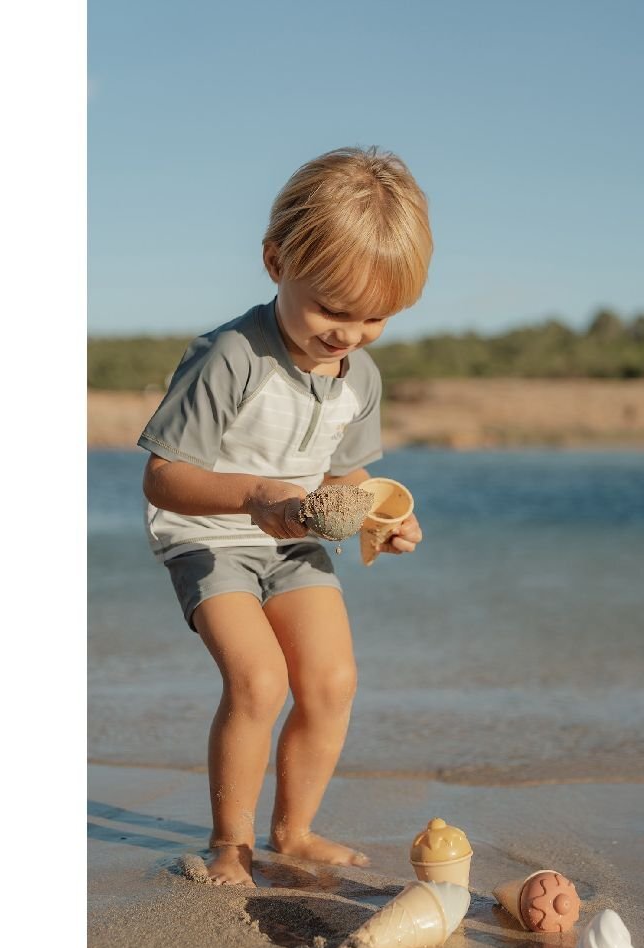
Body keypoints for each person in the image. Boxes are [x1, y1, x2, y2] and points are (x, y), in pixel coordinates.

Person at [138, 147, 430, 886]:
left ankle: (294, 831)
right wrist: (254, 496)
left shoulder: (358, 376)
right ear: (275, 260)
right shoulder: (229, 357)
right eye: (332, 309)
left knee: (331, 680)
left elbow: (346, 475)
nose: (348, 334)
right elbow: (165, 476)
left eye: (375, 319)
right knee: (260, 681)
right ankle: (229, 844)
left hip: (293, 539)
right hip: (210, 537)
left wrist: (380, 520)